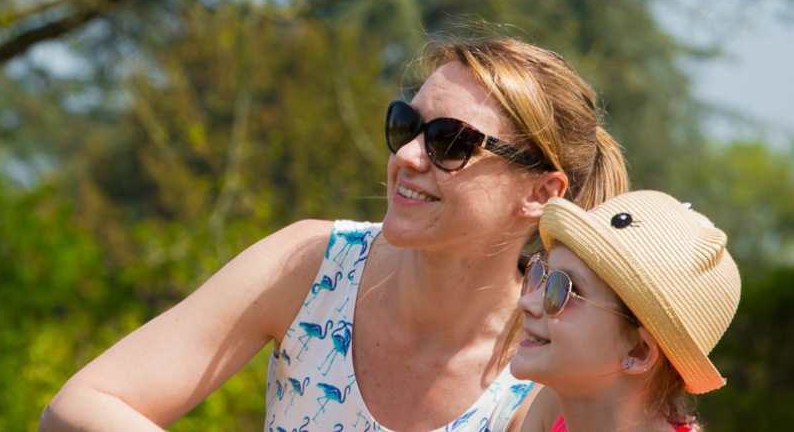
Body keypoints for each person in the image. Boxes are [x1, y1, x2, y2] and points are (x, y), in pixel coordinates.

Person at [40, 36, 629, 431]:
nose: (411, 157)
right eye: (406, 126)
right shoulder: (312, 262)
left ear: (541, 194)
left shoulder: (546, 361)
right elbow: (80, 407)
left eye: (452, 142)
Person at [509, 190, 740, 432]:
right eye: (539, 274)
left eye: (563, 289)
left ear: (639, 351)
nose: (527, 303)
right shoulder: (551, 407)